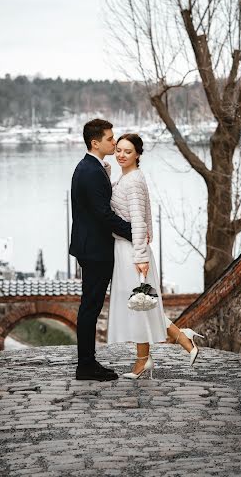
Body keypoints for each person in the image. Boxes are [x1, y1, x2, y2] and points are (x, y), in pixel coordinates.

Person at [107, 133, 204, 379]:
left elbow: (139, 222)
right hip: (128, 250)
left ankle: (149, 358)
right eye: (118, 149)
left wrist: (140, 256)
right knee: (141, 306)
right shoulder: (126, 178)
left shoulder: (133, 181)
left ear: (138, 155)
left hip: (133, 252)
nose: (121, 155)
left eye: (127, 151)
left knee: (141, 305)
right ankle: (179, 341)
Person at [69, 118, 132, 381]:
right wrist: (132, 230)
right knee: (90, 307)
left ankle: (87, 362)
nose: (114, 142)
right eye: (109, 139)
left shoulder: (91, 168)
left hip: (90, 246)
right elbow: (103, 214)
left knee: (90, 305)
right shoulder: (91, 171)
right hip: (94, 249)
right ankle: (86, 365)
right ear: (95, 142)